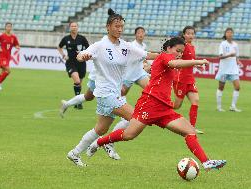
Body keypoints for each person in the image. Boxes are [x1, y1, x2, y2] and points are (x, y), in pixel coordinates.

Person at [86, 37, 227, 171]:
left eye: (181, 52)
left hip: (164, 108)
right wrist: (197, 61)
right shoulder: (165, 56)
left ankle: (206, 162)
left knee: (189, 131)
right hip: (150, 103)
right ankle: (100, 142)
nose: (179, 54)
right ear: (168, 48)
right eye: (177, 51)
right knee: (129, 135)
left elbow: (166, 67)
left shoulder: (166, 59)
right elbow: (173, 63)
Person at [66, 9, 158, 166]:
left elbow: (146, 54)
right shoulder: (100, 45)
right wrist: (83, 57)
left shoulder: (125, 46)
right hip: (105, 94)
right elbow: (81, 55)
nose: (120, 29)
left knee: (100, 129)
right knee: (137, 118)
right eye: (116, 26)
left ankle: (74, 153)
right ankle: (107, 142)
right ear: (108, 27)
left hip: (114, 94)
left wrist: (166, 56)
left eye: (122, 26)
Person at [173, 26, 204, 134]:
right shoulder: (183, 46)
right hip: (181, 79)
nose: (190, 35)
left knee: (195, 101)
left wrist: (196, 65)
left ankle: (192, 128)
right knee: (177, 106)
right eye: (188, 33)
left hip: (190, 79)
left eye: (192, 33)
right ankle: (159, 111)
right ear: (184, 34)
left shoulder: (192, 47)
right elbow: (177, 58)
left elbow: (190, 61)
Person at [57, 22, 89, 109]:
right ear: (69, 28)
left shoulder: (82, 38)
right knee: (77, 81)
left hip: (81, 63)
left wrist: (84, 54)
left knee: (79, 84)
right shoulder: (66, 38)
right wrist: (63, 55)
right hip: (70, 63)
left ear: (77, 28)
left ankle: (76, 101)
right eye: (72, 26)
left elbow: (89, 48)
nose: (73, 27)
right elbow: (59, 47)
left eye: (75, 26)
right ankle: (78, 103)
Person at [215, 28, 242, 112]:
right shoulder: (223, 44)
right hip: (224, 69)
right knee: (221, 87)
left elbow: (236, 56)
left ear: (233, 34)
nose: (230, 34)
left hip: (233, 69)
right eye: (228, 32)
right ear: (225, 34)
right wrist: (229, 55)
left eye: (231, 32)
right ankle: (219, 107)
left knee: (237, 87)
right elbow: (219, 57)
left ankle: (233, 106)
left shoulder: (235, 45)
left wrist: (238, 61)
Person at [121, 26, 149, 96]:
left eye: (142, 32)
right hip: (129, 74)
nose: (141, 34)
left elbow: (143, 58)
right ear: (135, 35)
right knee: (121, 95)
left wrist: (145, 63)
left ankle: (144, 105)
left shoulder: (144, 45)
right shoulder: (132, 45)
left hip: (139, 73)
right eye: (139, 33)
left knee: (151, 89)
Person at [0, 22, 20, 91]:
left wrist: (17, 47)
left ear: (11, 28)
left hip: (8, 57)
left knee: (3, 71)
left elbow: (17, 44)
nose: (9, 28)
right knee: (8, 70)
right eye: (7, 26)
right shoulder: (1, 36)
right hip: (2, 56)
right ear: (5, 27)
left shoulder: (13, 37)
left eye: (10, 27)